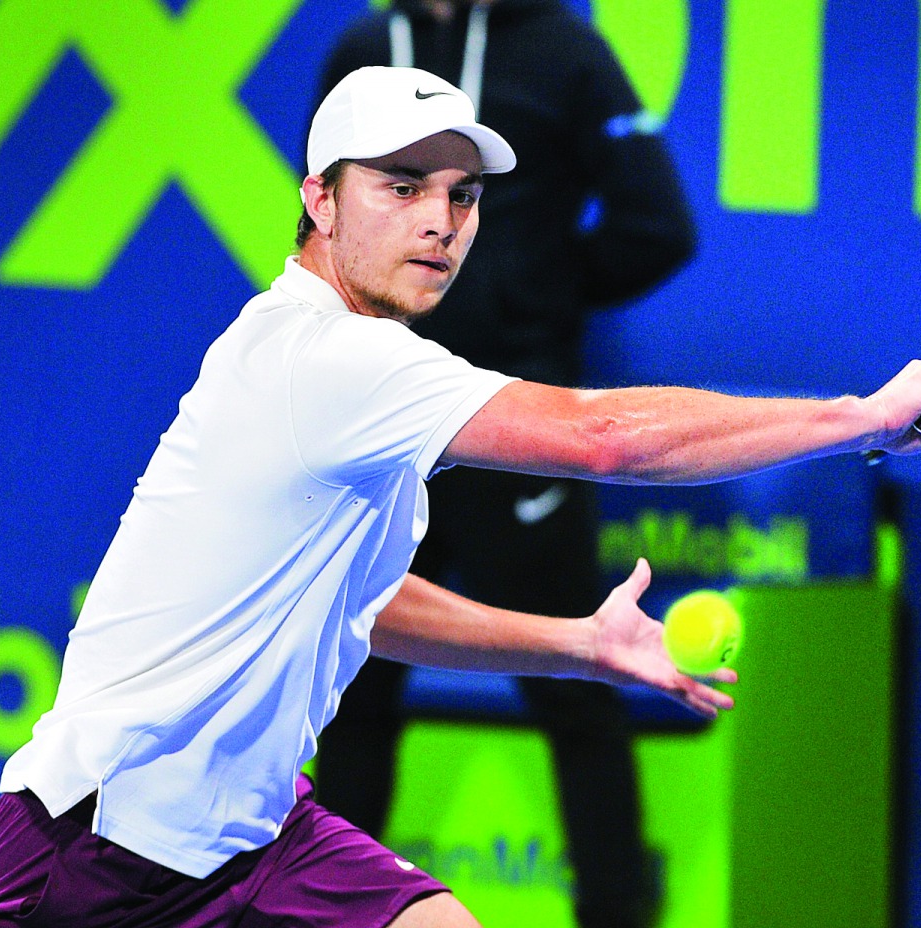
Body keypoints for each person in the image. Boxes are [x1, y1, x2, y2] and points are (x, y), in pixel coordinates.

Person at [0, 66, 921, 928]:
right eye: (401, 186)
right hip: (97, 847)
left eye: (461, 195)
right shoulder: (327, 358)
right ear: (319, 200)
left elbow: (364, 605)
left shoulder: (347, 373)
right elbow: (606, 439)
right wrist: (859, 417)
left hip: (255, 836)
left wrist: (578, 644)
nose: (440, 220)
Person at [311, 4, 697, 925]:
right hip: (381, 424)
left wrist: (534, 298)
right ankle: (322, 915)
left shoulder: (565, 51)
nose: (438, 219)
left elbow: (659, 223)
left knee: (580, 691)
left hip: (513, 427)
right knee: (350, 696)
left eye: (459, 193)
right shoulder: (362, 52)